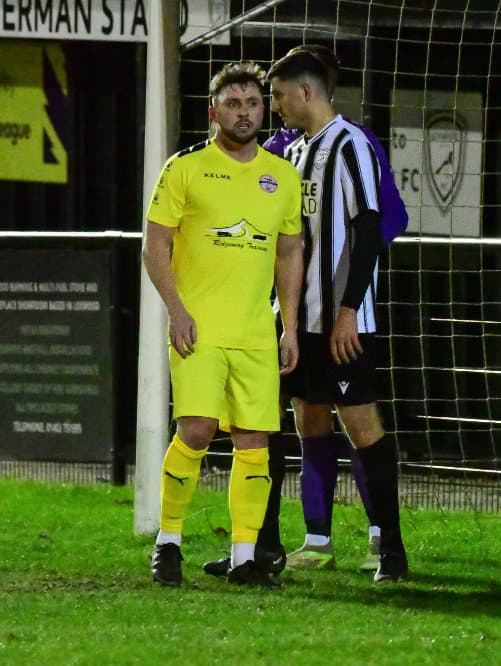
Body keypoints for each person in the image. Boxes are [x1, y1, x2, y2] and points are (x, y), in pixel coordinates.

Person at [144, 61, 304, 588]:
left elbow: (289, 252)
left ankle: (243, 557)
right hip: (199, 327)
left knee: (255, 439)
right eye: (233, 104)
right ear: (213, 112)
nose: (244, 112)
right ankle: (168, 541)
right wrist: (177, 310)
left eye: (253, 103)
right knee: (196, 428)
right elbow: (155, 245)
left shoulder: (282, 176)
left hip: (255, 330)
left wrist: (290, 326)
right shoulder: (185, 168)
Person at [260, 46, 409, 574]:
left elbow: (370, 229)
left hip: (344, 323)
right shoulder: (299, 152)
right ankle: (313, 540)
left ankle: (391, 549)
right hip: (301, 323)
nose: (274, 105)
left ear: (306, 91)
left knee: (362, 425)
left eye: (279, 95)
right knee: (306, 420)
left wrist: (348, 311)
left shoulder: (351, 144)